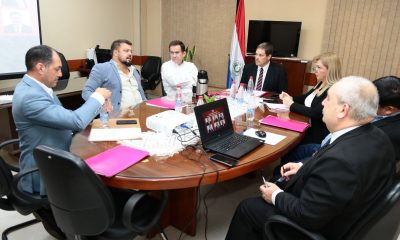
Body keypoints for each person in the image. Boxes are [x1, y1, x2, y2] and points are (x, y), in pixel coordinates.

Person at [225, 76, 396, 240]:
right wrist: (304, 168)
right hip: (348, 211)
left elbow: (308, 215)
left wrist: (276, 195)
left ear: (343, 110)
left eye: (328, 99)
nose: (322, 103)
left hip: (321, 228)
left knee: (248, 208)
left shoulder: (340, 162)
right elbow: (336, 174)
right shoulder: (378, 136)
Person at [12, 45, 111, 238]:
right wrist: (98, 97)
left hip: (56, 154)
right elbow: (75, 121)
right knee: (98, 184)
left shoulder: (36, 87)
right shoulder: (30, 97)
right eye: (57, 69)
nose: (61, 73)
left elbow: (65, 119)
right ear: (41, 68)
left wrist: (96, 112)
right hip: (44, 170)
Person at [273, 52, 342, 176]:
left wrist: (291, 105)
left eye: (319, 68)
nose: (315, 70)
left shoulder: (334, 89)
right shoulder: (321, 83)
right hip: (305, 126)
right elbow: (305, 98)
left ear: (330, 70)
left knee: (287, 147)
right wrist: (291, 98)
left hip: (316, 134)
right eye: (315, 67)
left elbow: (316, 113)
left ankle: (283, 175)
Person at [82, 39, 146, 113]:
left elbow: (141, 93)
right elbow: (86, 92)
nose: (130, 54)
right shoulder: (102, 68)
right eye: (126, 51)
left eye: (131, 51)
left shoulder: (134, 70)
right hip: (119, 117)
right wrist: (102, 104)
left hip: (140, 112)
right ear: (115, 53)